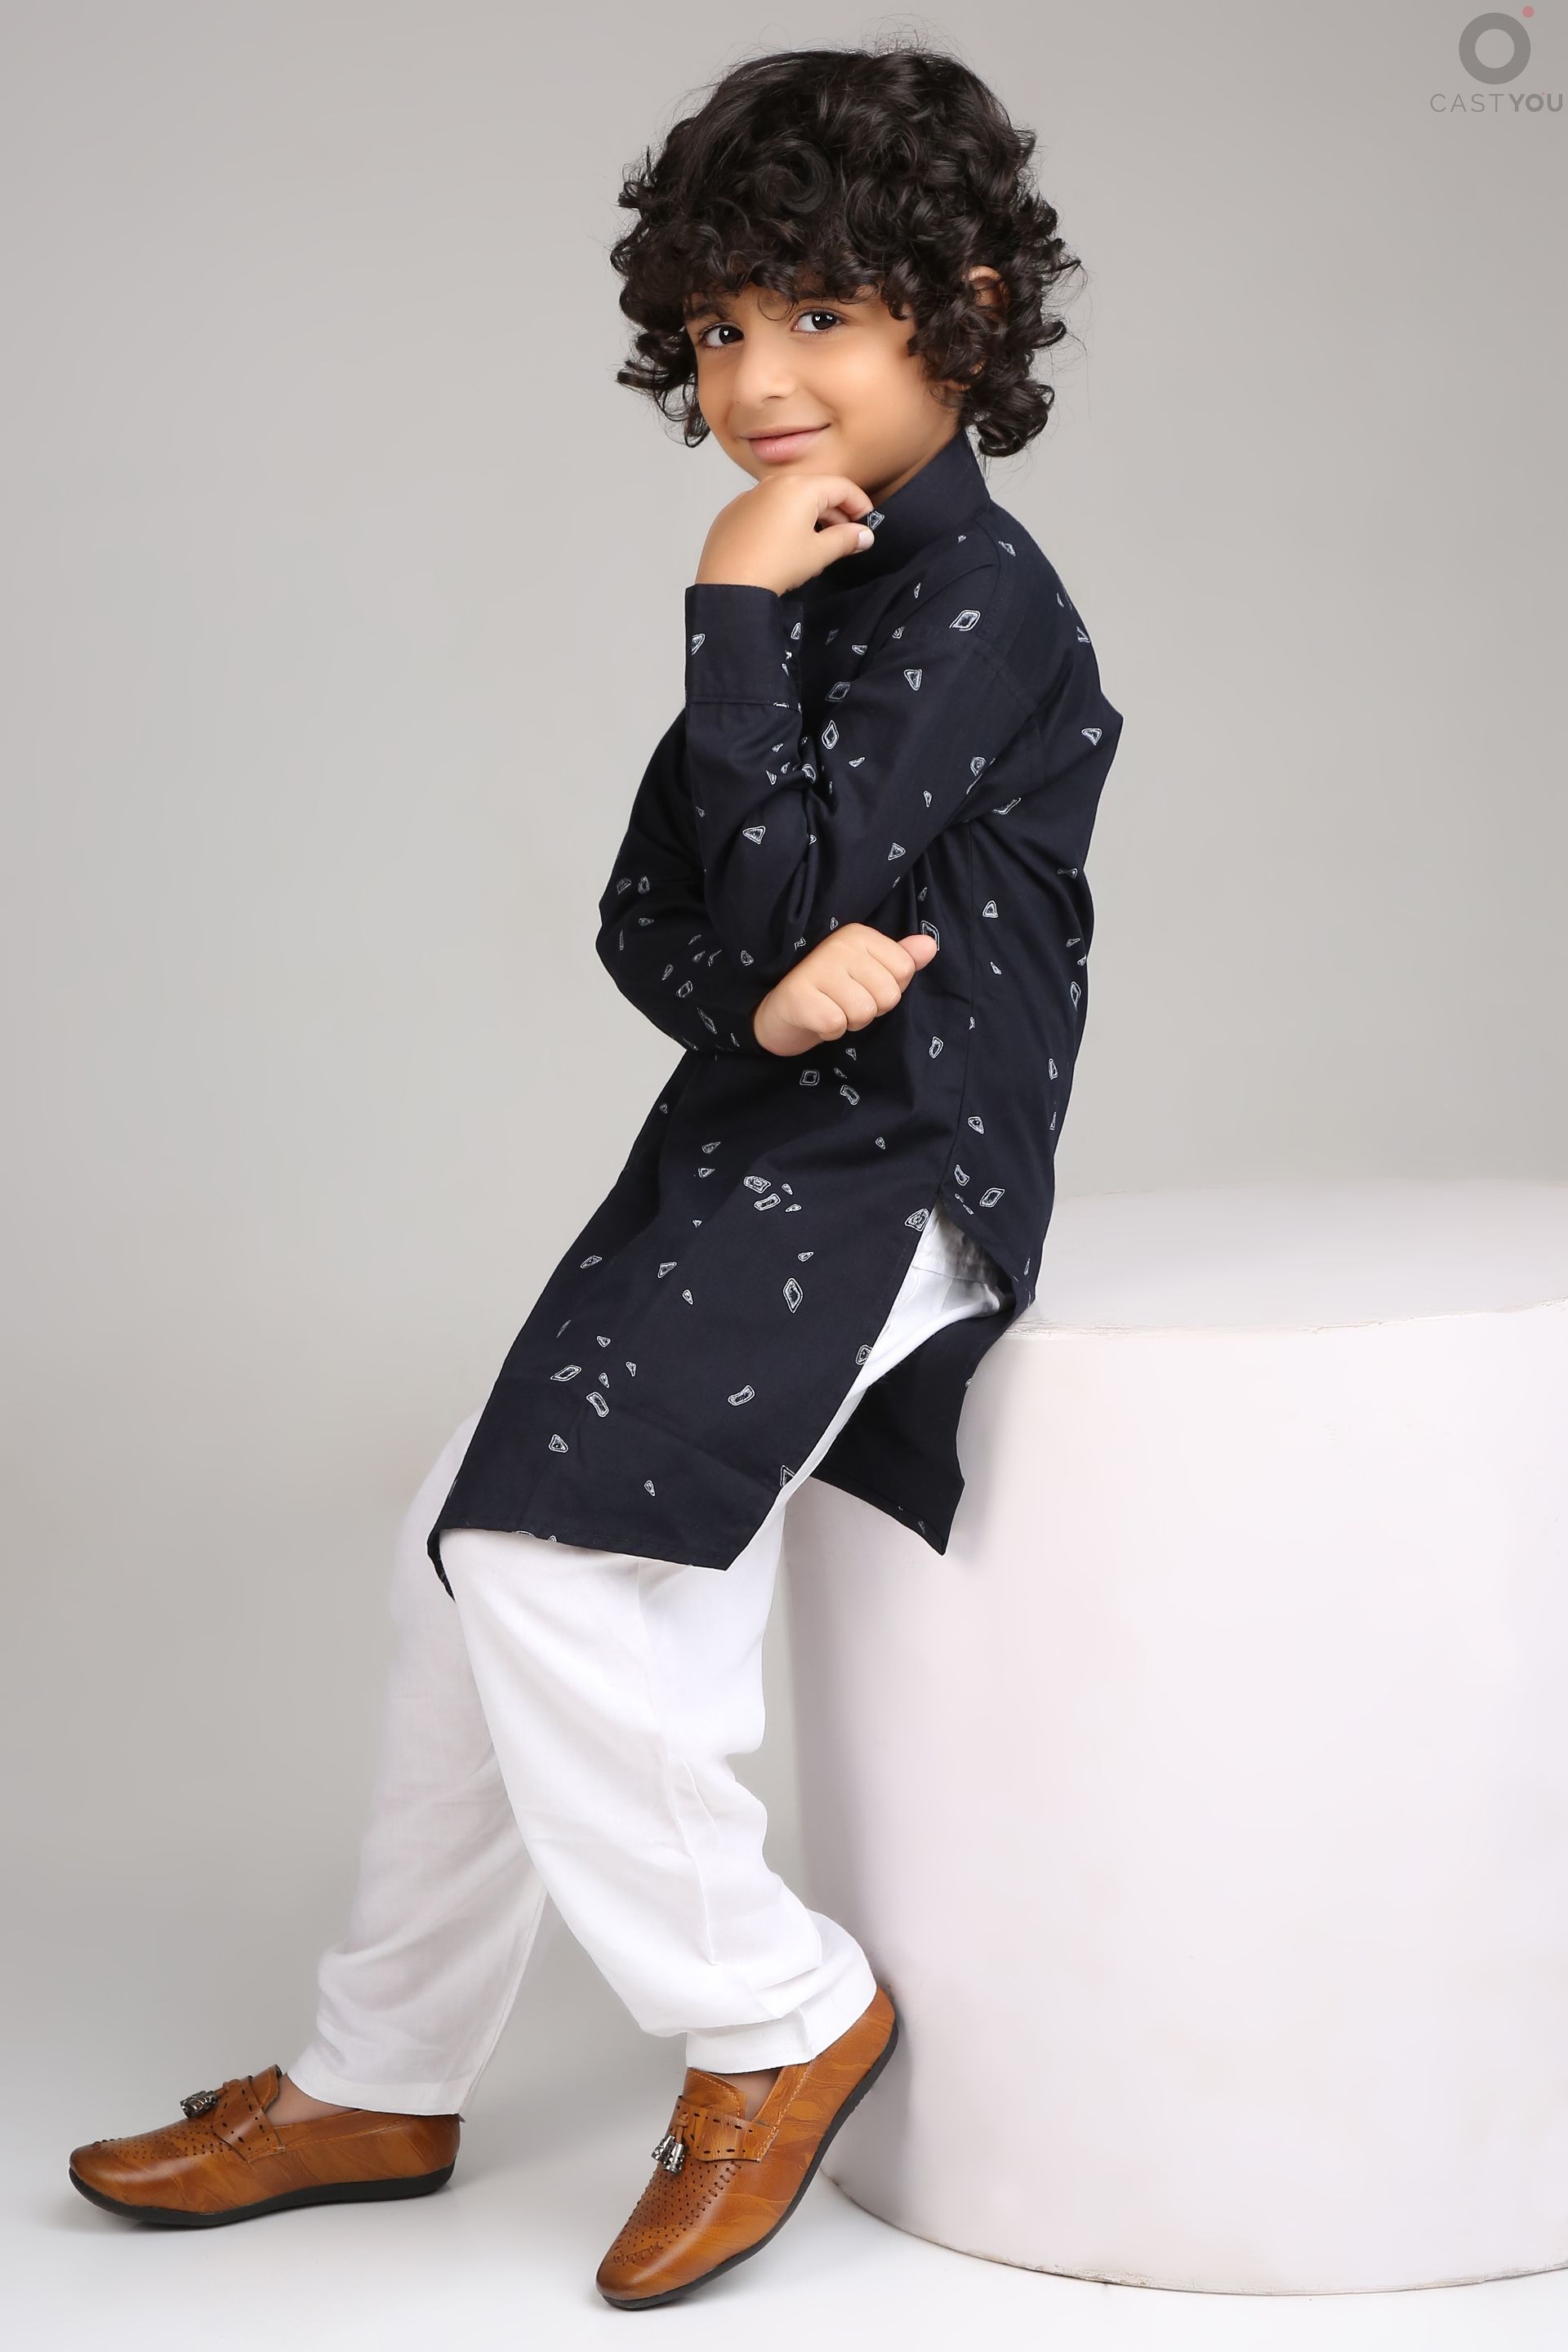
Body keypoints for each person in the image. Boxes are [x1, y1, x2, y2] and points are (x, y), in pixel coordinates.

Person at [67, 40, 1124, 2308]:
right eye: (722, 328)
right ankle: (381, 2072)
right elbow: (660, 918)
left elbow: (774, 881)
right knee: (457, 1558)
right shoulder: (815, 577)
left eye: (820, 316)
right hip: (759, 1141)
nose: (758, 381)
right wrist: (765, 1001)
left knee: (550, 1562)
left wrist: (728, 631)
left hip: (896, 1170)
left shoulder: (976, 601)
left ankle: (775, 2012)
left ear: (962, 309)